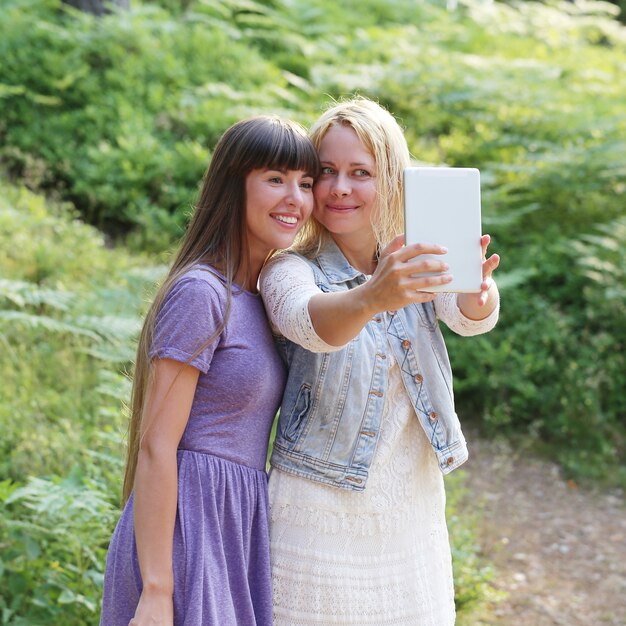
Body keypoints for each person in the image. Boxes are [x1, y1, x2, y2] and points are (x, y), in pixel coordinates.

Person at [259, 97, 500, 625]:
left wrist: (478, 291)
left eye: (360, 172)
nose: (340, 187)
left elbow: (467, 317)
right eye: (326, 171)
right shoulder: (288, 268)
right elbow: (307, 321)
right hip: (315, 518)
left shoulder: (416, 256)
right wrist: (374, 296)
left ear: (390, 179)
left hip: (410, 515)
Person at [99, 115, 319, 626]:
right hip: (187, 527)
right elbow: (157, 445)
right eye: (275, 179)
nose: (295, 198)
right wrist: (157, 589)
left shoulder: (260, 298)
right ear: (233, 185)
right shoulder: (203, 292)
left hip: (234, 526)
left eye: (305, 183)